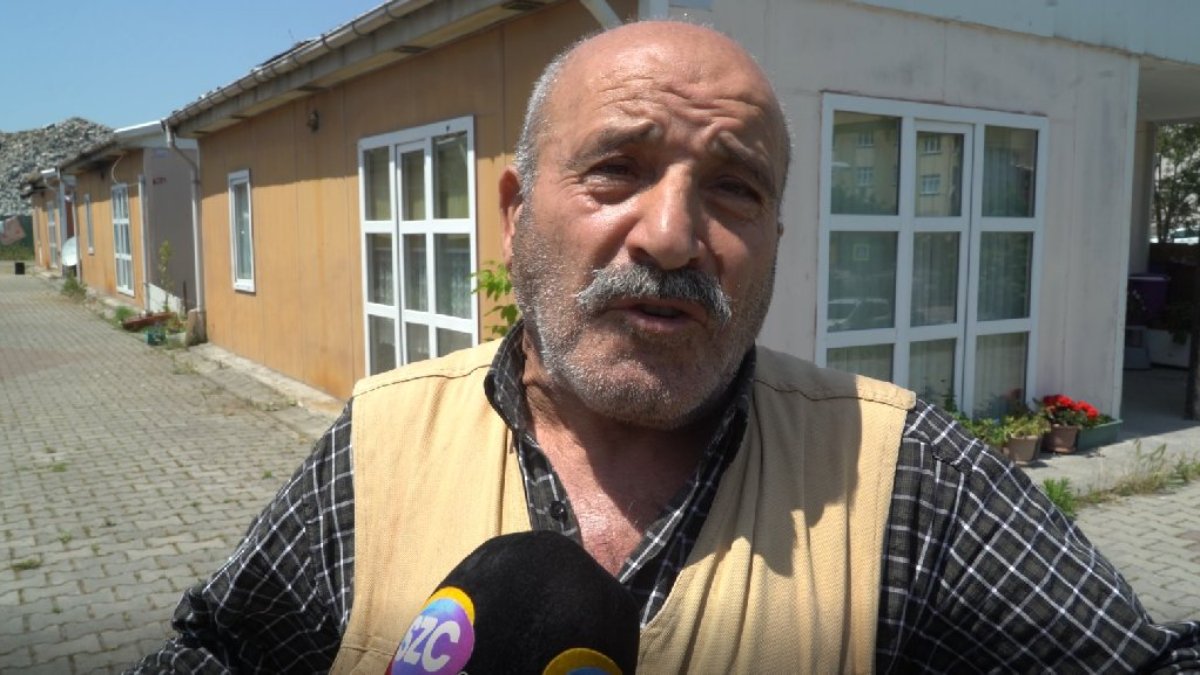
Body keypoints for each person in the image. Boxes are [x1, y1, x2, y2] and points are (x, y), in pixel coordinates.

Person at [132, 21, 1199, 673]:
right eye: (616, 169)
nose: (674, 235)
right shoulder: (380, 440)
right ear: (513, 213)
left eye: (734, 188)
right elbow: (217, 652)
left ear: (775, 241)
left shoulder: (911, 477)